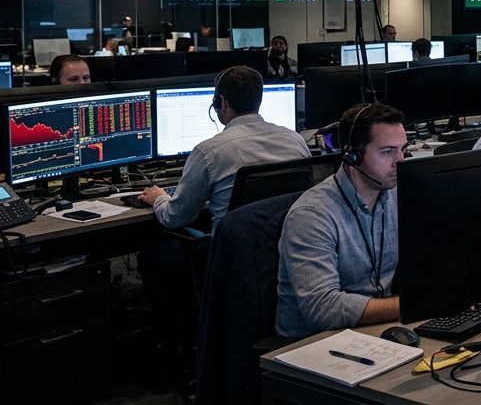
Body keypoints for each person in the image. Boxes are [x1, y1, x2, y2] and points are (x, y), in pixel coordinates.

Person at [277, 103, 405, 338]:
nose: (401, 160)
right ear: (352, 155)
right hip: (313, 343)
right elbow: (322, 310)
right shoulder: (312, 215)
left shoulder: (397, 196)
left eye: (401, 149)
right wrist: (412, 304)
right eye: (388, 152)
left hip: (374, 330)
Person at [138, 66, 310, 227]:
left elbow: (175, 217)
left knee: (157, 252)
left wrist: (159, 198)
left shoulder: (209, 152)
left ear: (223, 102)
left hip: (232, 253)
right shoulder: (295, 140)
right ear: (258, 100)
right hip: (284, 248)